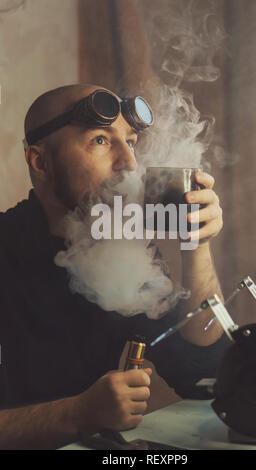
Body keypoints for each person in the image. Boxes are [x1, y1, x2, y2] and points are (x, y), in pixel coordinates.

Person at [0, 84, 228, 449]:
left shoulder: (123, 250)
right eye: (101, 141)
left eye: (131, 142)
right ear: (40, 162)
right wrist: (75, 413)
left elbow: (202, 375)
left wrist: (196, 245)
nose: (129, 163)